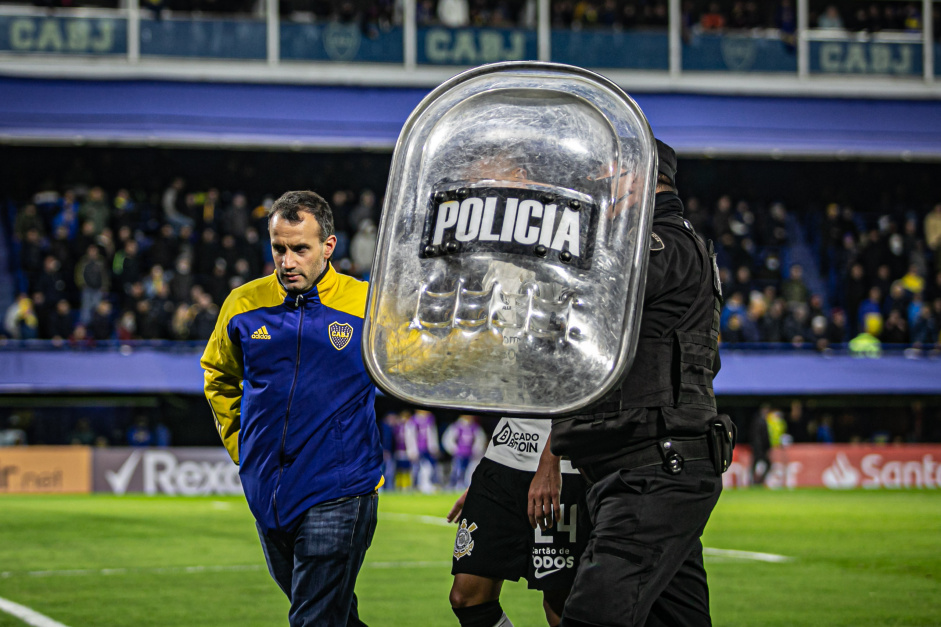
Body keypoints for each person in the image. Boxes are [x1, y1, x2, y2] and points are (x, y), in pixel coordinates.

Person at [550, 140, 732, 627]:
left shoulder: (662, 242)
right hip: (648, 466)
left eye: (609, 175)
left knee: (592, 616)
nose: (601, 187)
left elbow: (592, 296)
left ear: (639, 177)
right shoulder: (664, 242)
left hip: (653, 470)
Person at [201, 190, 383, 627]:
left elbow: (418, 364)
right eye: (279, 248)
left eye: (300, 248)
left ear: (328, 246)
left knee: (313, 619)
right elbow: (218, 377)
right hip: (268, 491)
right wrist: (244, 449)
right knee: (331, 614)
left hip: (340, 488)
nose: (287, 261)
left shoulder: (369, 305)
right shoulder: (243, 304)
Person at [447, 418, 589, 627]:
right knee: (467, 599)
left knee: (560, 604)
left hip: (562, 465)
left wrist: (551, 459)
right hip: (501, 457)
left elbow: (580, 392)